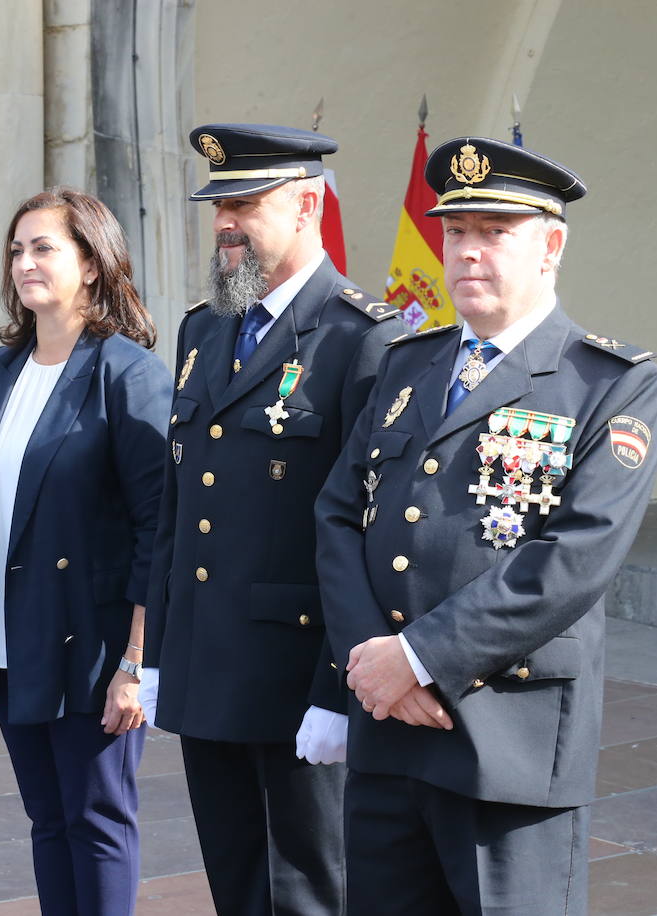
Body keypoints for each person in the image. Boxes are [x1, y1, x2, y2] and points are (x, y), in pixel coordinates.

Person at [315, 137, 657, 916]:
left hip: (509, 742)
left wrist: (416, 658)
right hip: (390, 735)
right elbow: (339, 511)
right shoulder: (408, 363)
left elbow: (573, 557)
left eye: (494, 231)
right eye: (457, 232)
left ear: (551, 244)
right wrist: (370, 660)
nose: (468, 252)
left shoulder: (608, 383)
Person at [141, 124, 401, 915]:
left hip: (296, 671)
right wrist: (158, 650)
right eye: (218, 202)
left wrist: (337, 688)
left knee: (307, 890)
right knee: (234, 877)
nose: (225, 221)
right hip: (207, 660)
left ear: (306, 204)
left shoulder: (365, 337)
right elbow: (176, 504)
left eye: (246, 202)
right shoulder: (204, 326)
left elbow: (368, 532)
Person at [0, 188, 169, 915]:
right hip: (17, 643)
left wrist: (137, 663)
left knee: (97, 821)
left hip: (94, 641)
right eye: (17, 249)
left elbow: (157, 527)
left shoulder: (126, 371)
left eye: (44, 247)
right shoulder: (1, 367)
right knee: (47, 822)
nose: (24, 262)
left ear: (92, 263)